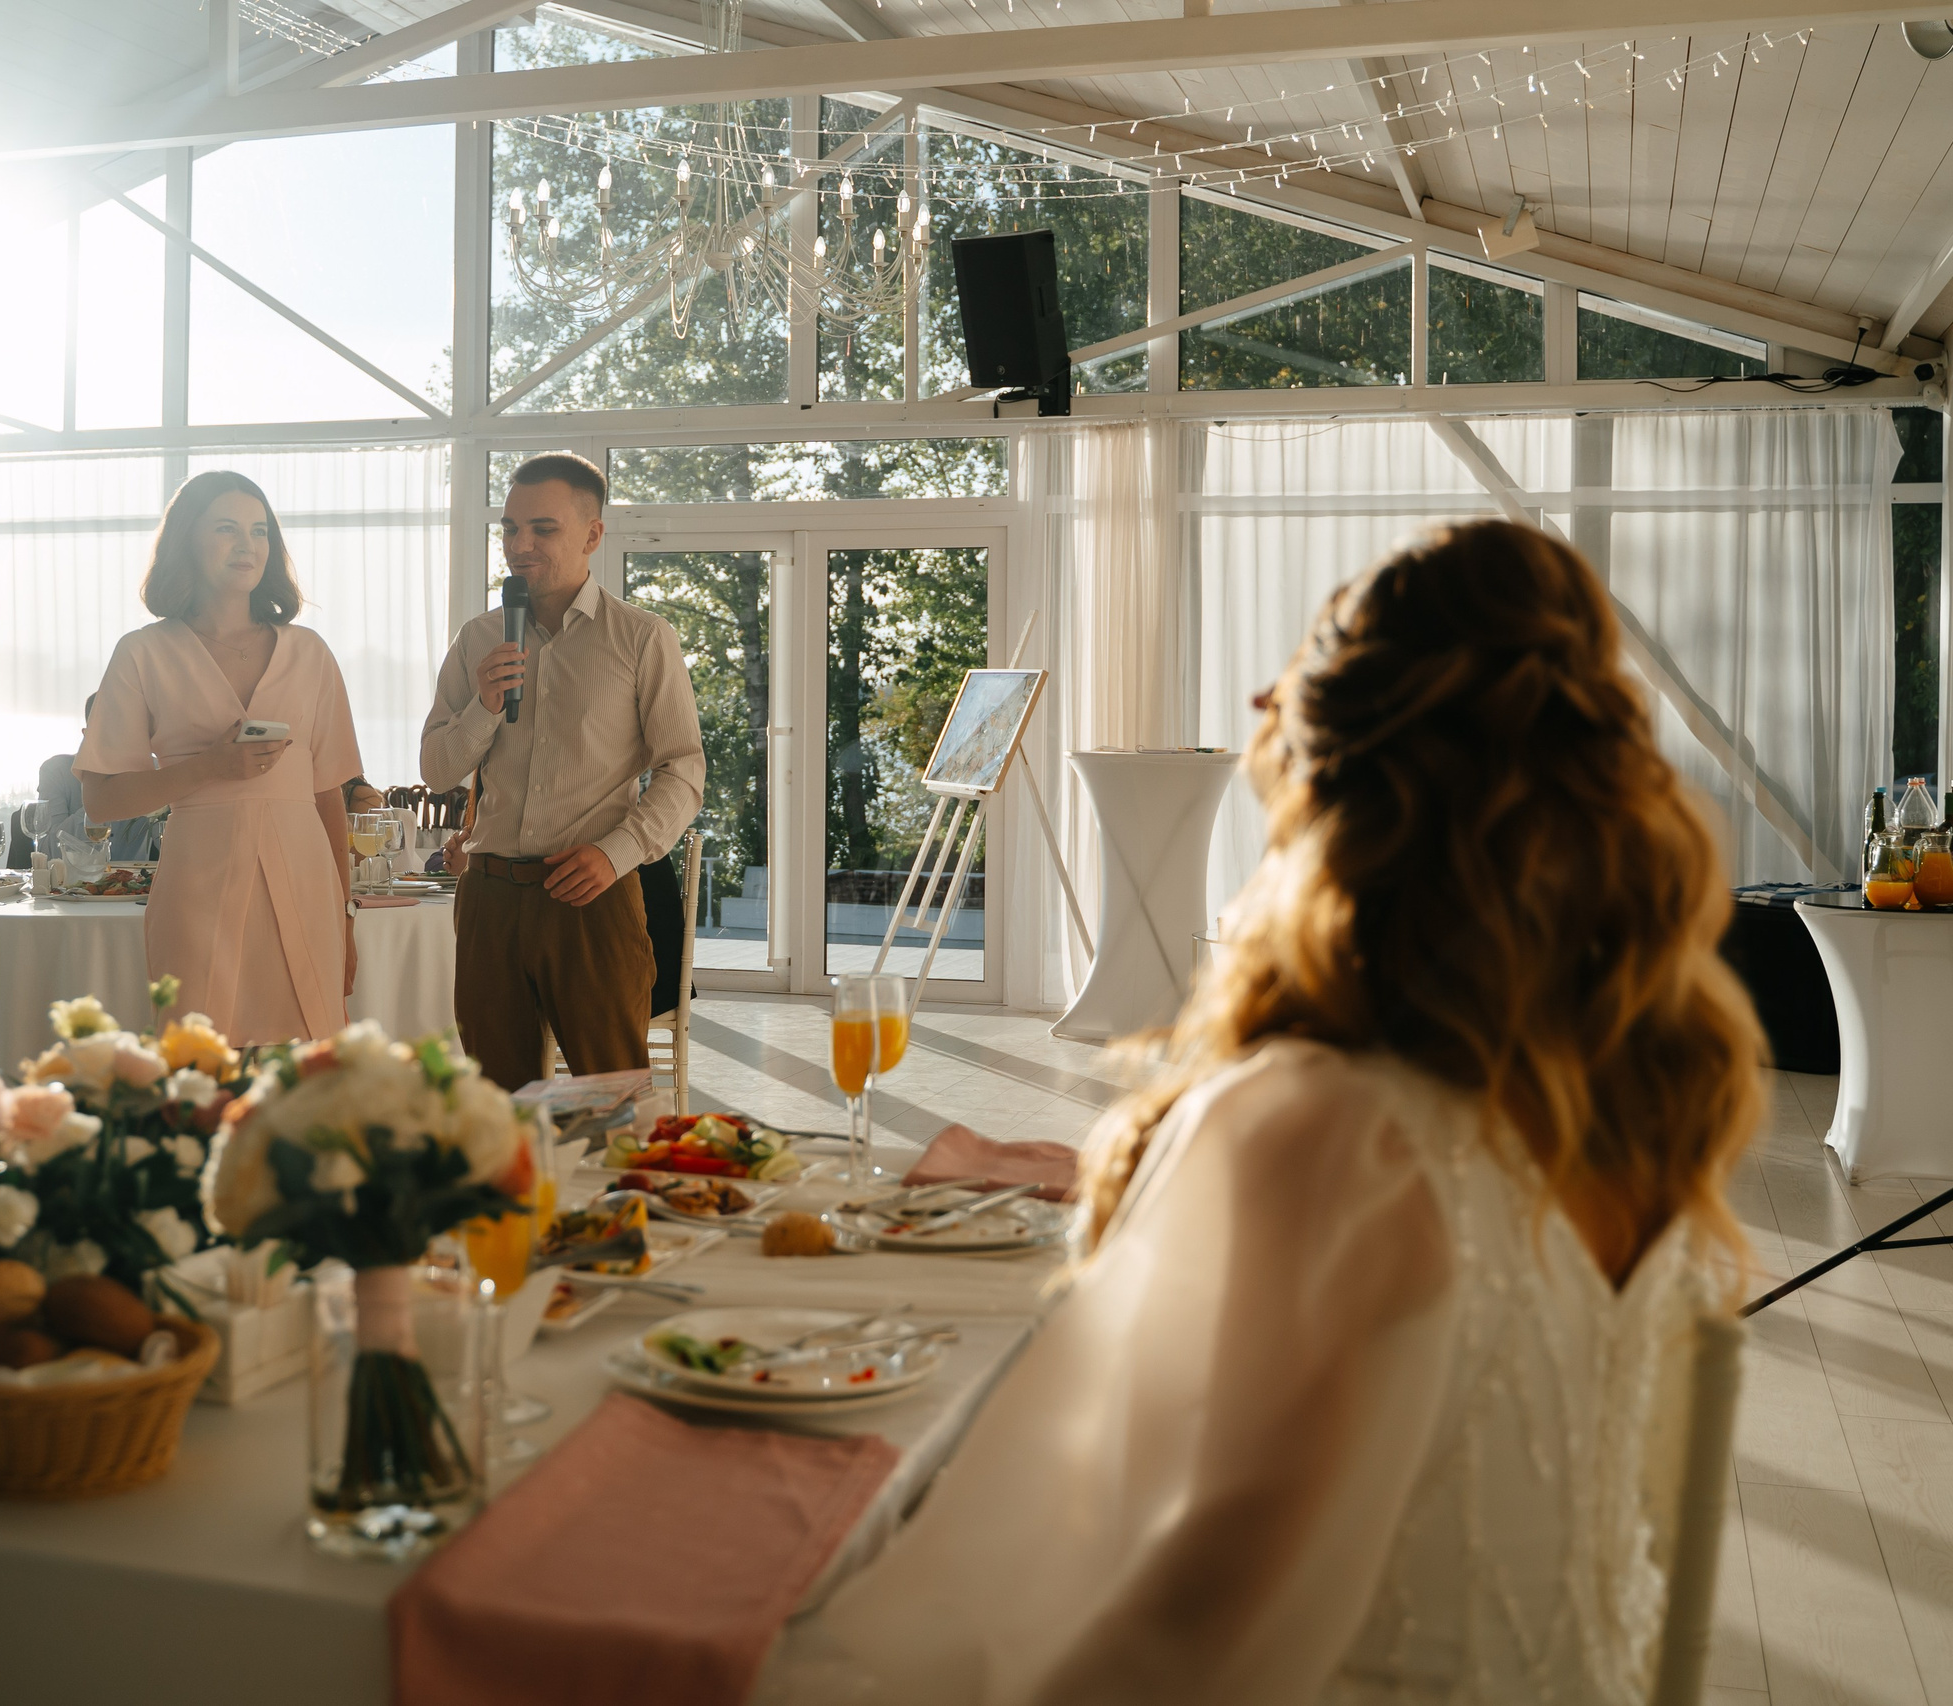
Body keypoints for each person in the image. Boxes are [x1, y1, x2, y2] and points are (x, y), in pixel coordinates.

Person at [771, 520, 1765, 1704]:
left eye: (1289, 674)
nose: (1258, 699)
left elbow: (1186, 1637)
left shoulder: (1336, 1126)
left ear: (1328, 763)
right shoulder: (1631, 1104)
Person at [420, 451, 704, 1090]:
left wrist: (616, 853)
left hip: (589, 898)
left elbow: (683, 770)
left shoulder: (641, 638)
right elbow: (437, 771)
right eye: (510, 528)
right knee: (498, 1103)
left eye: (542, 529)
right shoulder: (477, 640)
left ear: (592, 535)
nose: (519, 545)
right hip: (489, 898)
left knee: (612, 1097)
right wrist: (484, 707)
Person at [76, 471, 362, 1046]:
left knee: (312, 1069)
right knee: (197, 1062)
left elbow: (328, 794)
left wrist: (345, 914)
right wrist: (208, 767)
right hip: (196, 891)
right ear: (187, 539)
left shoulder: (310, 653)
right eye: (226, 528)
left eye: (259, 531)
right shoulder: (143, 653)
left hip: (307, 887)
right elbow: (101, 800)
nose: (246, 545)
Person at [29, 695, 162, 866]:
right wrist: (100, 795)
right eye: (109, 733)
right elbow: (49, 852)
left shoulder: (155, 771)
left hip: (135, 880)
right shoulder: (57, 771)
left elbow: (172, 846)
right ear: (87, 736)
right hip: (75, 880)